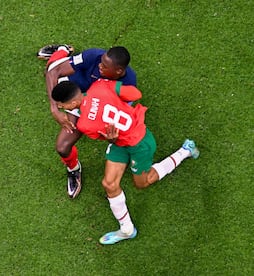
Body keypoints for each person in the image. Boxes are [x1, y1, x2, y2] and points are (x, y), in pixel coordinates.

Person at [51, 80, 200, 245]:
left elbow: (109, 138)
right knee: (109, 184)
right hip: (121, 142)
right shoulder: (99, 86)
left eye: (62, 105)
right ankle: (127, 230)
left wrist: (112, 136)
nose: (62, 109)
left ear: (72, 103)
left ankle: (185, 151)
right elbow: (135, 94)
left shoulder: (85, 124)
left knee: (142, 183)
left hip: (140, 143)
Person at [38, 44, 137, 199]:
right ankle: (62, 51)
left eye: (104, 66)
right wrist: (55, 110)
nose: (99, 66)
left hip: (91, 108)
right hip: (75, 95)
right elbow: (54, 73)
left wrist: (113, 139)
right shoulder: (94, 56)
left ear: (118, 71)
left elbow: (118, 118)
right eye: (101, 62)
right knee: (50, 69)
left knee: (63, 146)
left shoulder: (128, 85)